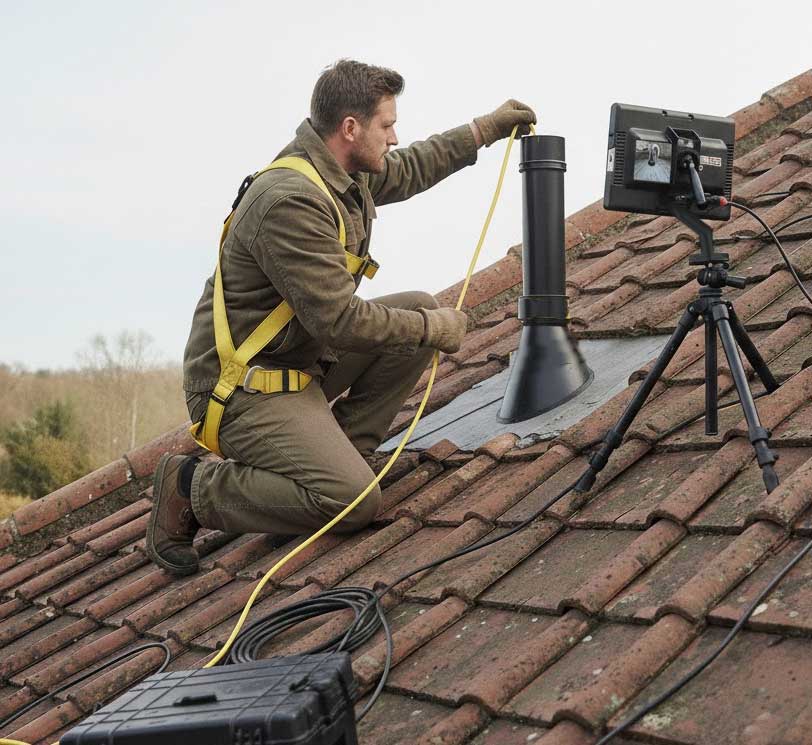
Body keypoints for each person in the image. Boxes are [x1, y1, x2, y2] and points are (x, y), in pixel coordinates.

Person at [146, 59, 536, 576]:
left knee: (417, 305)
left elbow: (414, 165)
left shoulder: (341, 174)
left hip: (295, 367)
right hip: (243, 389)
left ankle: (339, 457)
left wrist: (483, 131)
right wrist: (435, 330)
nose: (395, 137)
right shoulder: (290, 201)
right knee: (354, 502)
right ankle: (192, 489)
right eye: (387, 125)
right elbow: (342, 323)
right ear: (350, 129)